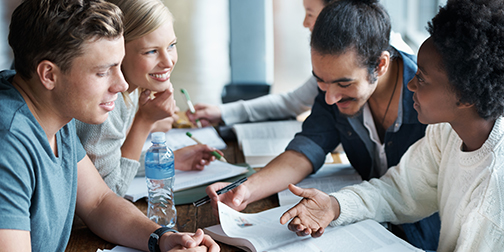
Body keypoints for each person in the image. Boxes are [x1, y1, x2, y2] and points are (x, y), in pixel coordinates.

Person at [207, 0, 440, 250]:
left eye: (345, 84)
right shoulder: (334, 87)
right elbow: (306, 149)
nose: (330, 98)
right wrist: (245, 190)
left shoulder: (431, 103)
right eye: (321, 81)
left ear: (380, 65)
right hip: (365, 226)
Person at [280, 0, 504, 250]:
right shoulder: (446, 131)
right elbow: (400, 190)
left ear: (465, 96)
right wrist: (334, 206)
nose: (410, 85)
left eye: (422, 78)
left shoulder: (492, 195)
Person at [0, 0, 219, 251]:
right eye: (104, 72)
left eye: (119, 65)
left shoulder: (50, 109)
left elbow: (99, 202)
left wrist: (163, 238)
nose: (122, 85)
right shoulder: (8, 146)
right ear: (49, 75)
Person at [185, 0, 413, 127]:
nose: (305, 23)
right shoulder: (334, 77)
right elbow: (293, 101)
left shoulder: (381, 63)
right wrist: (223, 112)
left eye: (310, 13)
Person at [75, 0, 222, 197]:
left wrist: (169, 160)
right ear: (119, 51)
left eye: (171, 45)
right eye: (151, 51)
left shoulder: (134, 90)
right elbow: (110, 192)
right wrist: (145, 121)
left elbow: (110, 165)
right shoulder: (107, 103)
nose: (168, 61)